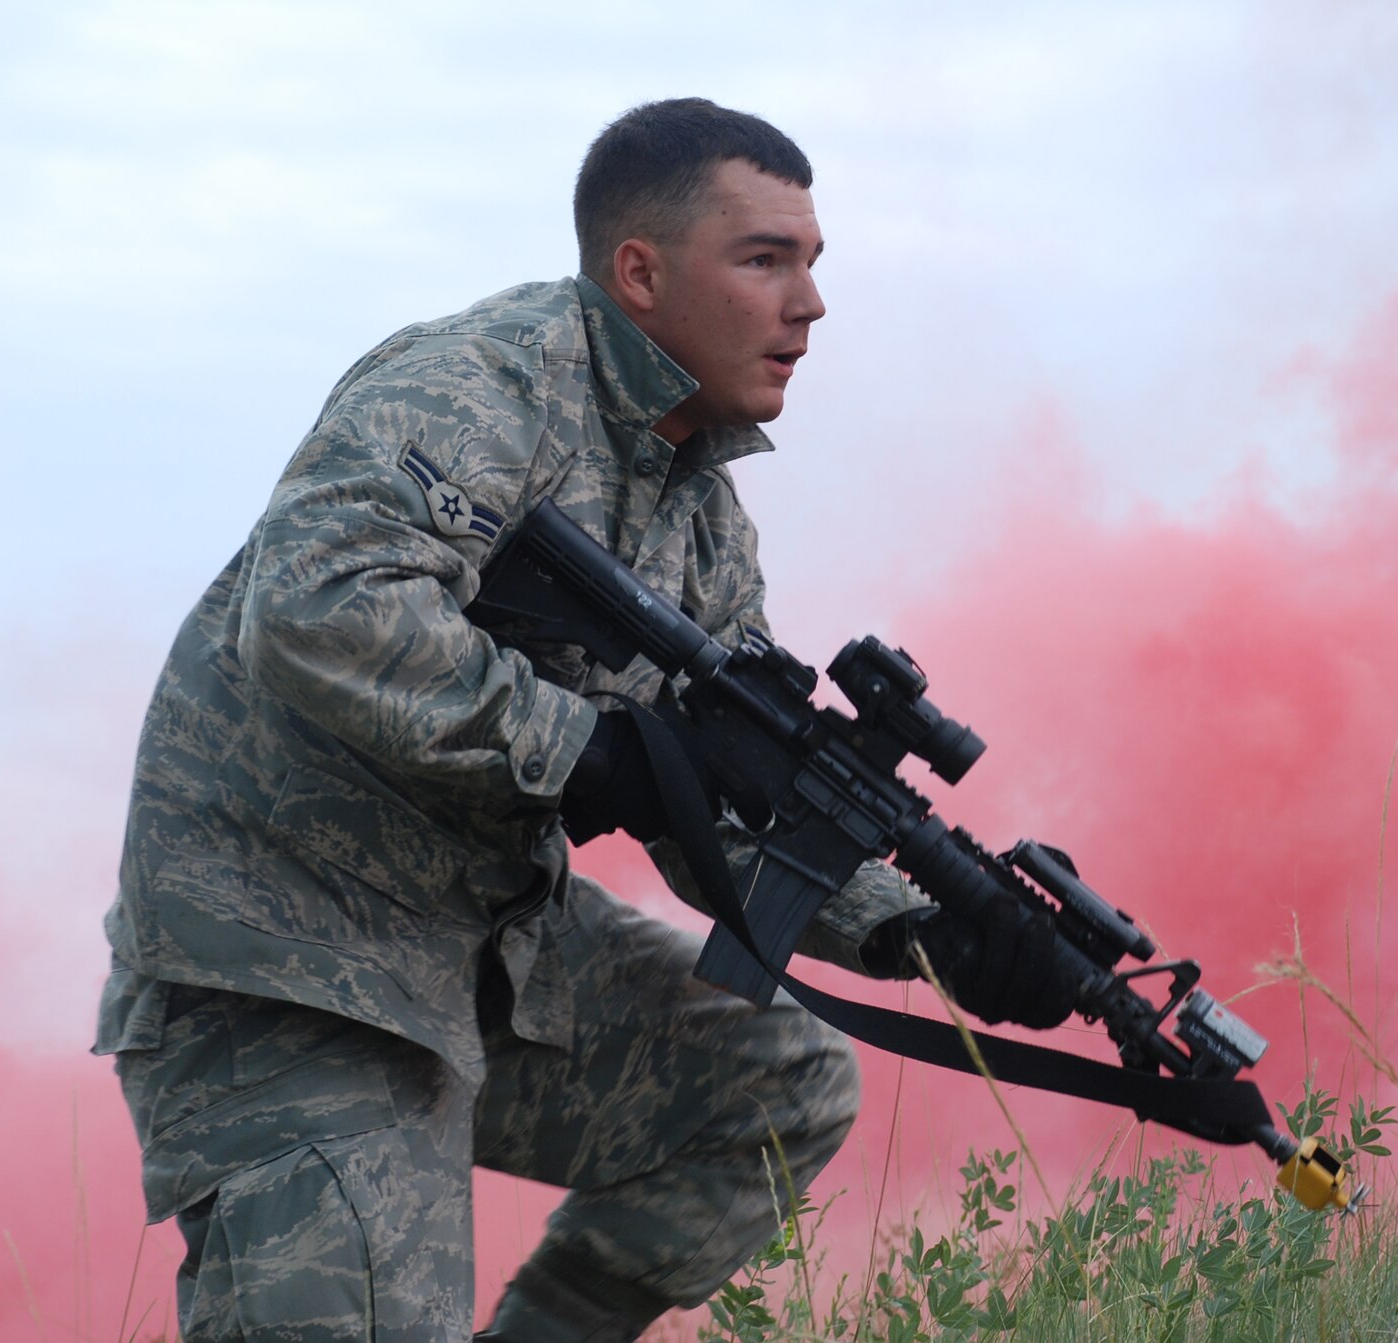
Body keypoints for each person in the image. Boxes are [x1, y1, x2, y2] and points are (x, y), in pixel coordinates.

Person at [93, 97, 1085, 1343]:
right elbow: (317, 606)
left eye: (811, 263)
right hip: (291, 961)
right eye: (762, 258)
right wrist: (584, 746)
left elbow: (716, 801)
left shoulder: (703, 520)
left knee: (772, 1084)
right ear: (640, 271)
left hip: (483, 948)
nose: (809, 304)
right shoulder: (480, 387)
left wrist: (922, 931)